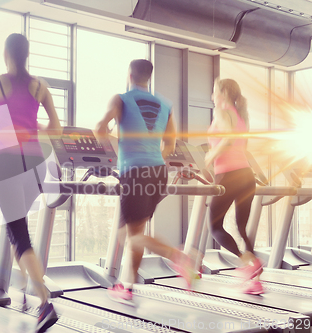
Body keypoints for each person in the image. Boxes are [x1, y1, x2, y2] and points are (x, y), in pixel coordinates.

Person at [0, 33, 62, 332]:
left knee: (19, 234)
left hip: (7, 163)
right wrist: (35, 126)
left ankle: (44, 301)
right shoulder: (40, 86)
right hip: (35, 163)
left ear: (5, 54)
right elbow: (56, 127)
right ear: (28, 55)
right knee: (17, 227)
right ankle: (24, 285)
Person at [96, 59, 198, 306]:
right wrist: (153, 159)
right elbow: (170, 144)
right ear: (148, 77)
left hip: (135, 172)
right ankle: (127, 286)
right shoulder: (166, 104)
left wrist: (117, 153)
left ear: (130, 74)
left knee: (130, 236)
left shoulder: (120, 99)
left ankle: (179, 257)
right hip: (158, 172)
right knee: (134, 232)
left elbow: (100, 128)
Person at [204, 78, 262, 295]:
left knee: (215, 227)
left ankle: (247, 261)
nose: (212, 97)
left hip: (229, 175)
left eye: (214, 92)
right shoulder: (241, 116)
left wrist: (209, 157)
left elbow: (227, 141)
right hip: (247, 176)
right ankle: (255, 281)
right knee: (241, 228)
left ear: (223, 93)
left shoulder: (222, 112)